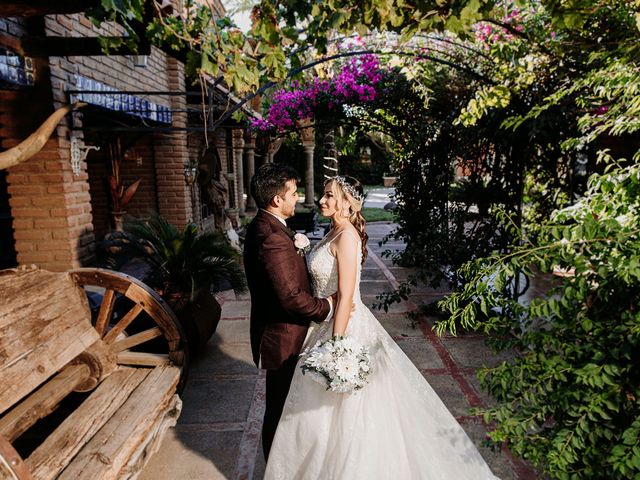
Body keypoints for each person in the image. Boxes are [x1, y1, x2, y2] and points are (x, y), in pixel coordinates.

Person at [264, 175, 499, 480]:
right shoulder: (332, 231)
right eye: (323, 195)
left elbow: (347, 296)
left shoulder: (347, 237)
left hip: (342, 329)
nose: (322, 201)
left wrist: (336, 347)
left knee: (347, 412)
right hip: (323, 325)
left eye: (330, 196)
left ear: (348, 203)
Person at [244, 163, 334, 460]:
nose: (298, 197)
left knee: (287, 404)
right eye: (293, 193)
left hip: (287, 332)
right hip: (282, 336)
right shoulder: (270, 237)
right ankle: (274, 467)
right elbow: (291, 297)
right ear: (277, 200)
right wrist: (327, 306)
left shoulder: (269, 225)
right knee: (280, 408)